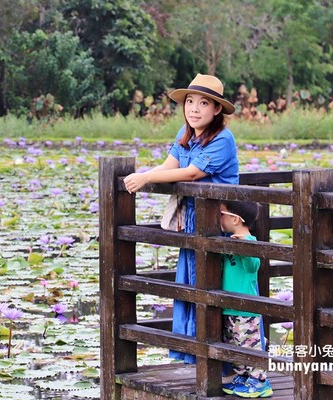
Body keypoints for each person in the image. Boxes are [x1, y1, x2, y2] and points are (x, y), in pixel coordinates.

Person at [123, 73, 239, 363]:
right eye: (189, 102)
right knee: (190, 283)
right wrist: (144, 176)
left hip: (219, 226)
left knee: (213, 288)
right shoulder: (184, 134)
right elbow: (170, 165)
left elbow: (191, 173)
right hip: (192, 224)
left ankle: (220, 360)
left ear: (216, 110)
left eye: (203, 103)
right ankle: (193, 355)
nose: (194, 108)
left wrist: (145, 177)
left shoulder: (223, 139)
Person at [219, 200, 272, 398]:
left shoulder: (249, 241)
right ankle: (244, 375)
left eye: (221, 214)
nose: (219, 218)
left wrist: (244, 247)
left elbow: (253, 266)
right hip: (229, 305)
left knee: (249, 343)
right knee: (233, 342)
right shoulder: (227, 239)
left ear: (234, 218)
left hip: (246, 308)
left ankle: (260, 382)